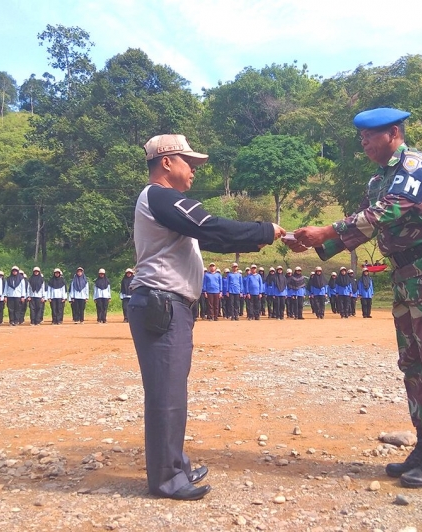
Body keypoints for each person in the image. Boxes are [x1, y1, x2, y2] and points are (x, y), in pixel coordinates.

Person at [289, 107, 422, 488]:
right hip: (406, 278)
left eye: (370, 135)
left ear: (394, 133)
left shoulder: (416, 164)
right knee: (414, 362)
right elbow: (368, 226)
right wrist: (316, 242)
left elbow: (394, 209)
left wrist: (327, 229)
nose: (364, 143)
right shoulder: (378, 180)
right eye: (361, 138)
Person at [128, 133, 283, 501]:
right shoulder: (161, 197)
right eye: (189, 163)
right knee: (166, 394)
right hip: (161, 303)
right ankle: (167, 479)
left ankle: (176, 466)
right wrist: (265, 229)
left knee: (172, 390)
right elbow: (210, 225)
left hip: (169, 305)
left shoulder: (167, 206)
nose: (194, 171)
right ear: (167, 162)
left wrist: (265, 238)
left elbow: (214, 239)